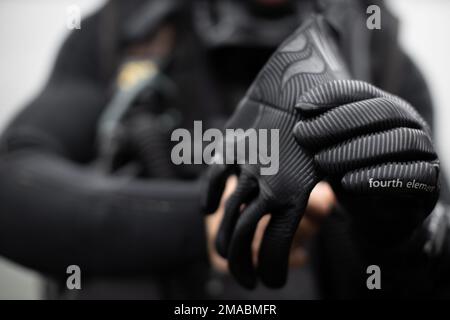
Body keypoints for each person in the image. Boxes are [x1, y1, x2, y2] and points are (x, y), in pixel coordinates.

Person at [0, 0, 448, 299]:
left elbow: (436, 242)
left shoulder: (381, 58)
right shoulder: (125, 32)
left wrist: (396, 234)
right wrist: (210, 219)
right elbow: (14, 186)